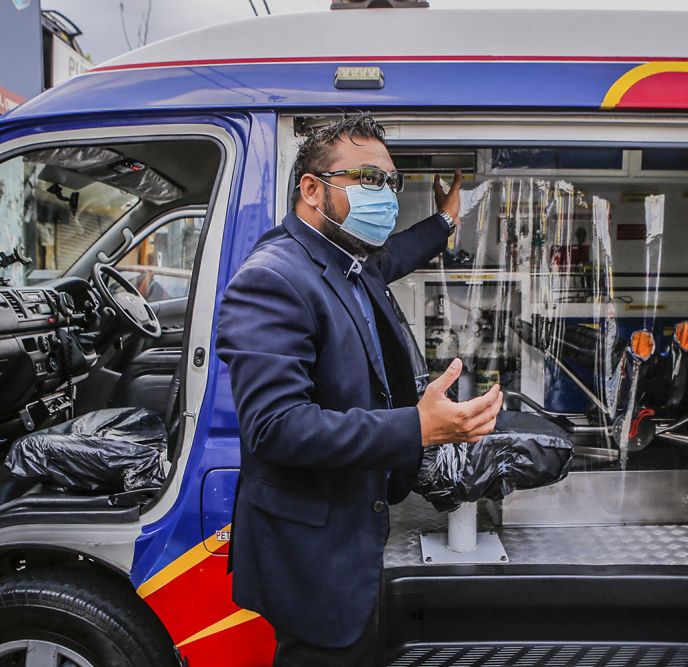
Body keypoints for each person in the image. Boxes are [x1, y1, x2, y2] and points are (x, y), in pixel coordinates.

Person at [215, 113, 503, 667]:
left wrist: (445, 220)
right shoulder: (273, 278)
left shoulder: (347, 259)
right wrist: (417, 427)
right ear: (311, 188)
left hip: (351, 538)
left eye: (390, 183)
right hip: (314, 560)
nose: (385, 196)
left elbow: (396, 253)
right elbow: (276, 428)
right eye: (368, 180)